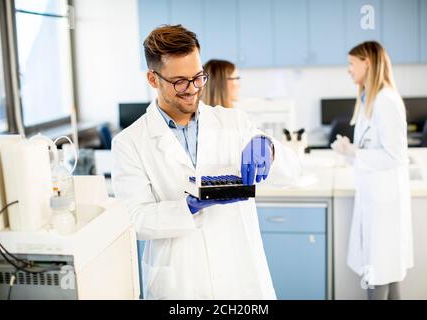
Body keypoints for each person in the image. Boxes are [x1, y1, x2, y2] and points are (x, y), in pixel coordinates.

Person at [112, 24, 301, 300]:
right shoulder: (129, 143)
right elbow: (134, 219)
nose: (192, 89)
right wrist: (186, 207)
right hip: (181, 284)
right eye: (179, 81)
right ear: (153, 79)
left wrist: (270, 150)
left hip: (242, 280)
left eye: (198, 77)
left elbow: (293, 172)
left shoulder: (233, 122)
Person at [331, 41, 413, 300]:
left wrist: (355, 152)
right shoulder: (370, 99)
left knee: (380, 275)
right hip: (375, 198)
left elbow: (394, 155)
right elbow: (374, 146)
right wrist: (352, 150)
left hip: (384, 204)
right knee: (384, 274)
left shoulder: (386, 101)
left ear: (367, 62)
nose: (348, 70)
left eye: (351, 63)